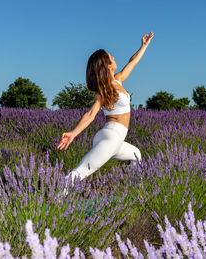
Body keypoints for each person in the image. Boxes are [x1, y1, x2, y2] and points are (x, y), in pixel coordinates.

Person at [57, 32, 154, 196]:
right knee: (80, 172)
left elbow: (133, 62)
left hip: (116, 139)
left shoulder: (118, 80)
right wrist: (74, 133)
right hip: (110, 137)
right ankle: (55, 201)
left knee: (136, 154)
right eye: (112, 57)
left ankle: (136, 194)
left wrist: (144, 46)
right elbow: (91, 114)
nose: (115, 58)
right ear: (107, 65)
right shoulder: (103, 92)